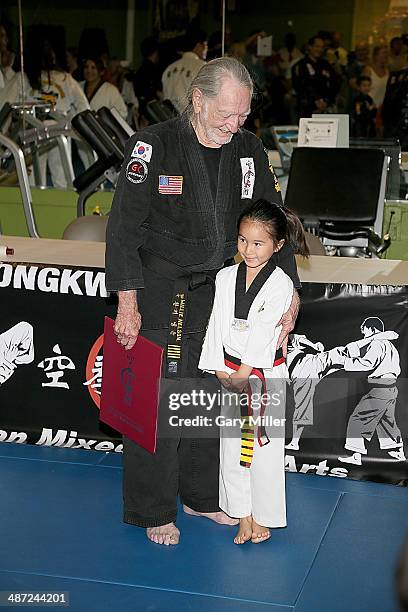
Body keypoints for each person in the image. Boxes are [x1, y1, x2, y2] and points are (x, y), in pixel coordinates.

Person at [105, 57, 301, 546]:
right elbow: (123, 227)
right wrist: (127, 299)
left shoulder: (249, 151)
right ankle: (151, 509)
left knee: (209, 397)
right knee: (159, 398)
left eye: (243, 115)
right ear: (197, 99)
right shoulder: (153, 146)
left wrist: (290, 292)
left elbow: (274, 223)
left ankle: (200, 496)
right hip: (161, 288)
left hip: (221, 292)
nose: (235, 125)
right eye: (226, 114)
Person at [198, 199, 309, 544]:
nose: (248, 249)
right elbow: (216, 323)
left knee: (264, 448)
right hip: (230, 371)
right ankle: (243, 515)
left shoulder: (281, 285)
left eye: (258, 243)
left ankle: (262, 515)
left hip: (261, 374)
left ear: (277, 246)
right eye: (242, 240)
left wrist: (243, 372)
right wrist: (219, 368)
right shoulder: (225, 276)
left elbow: (264, 332)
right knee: (232, 447)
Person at [338, 317, 403, 466]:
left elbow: (367, 364)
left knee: (358, 418)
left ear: (372, 329)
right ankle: (398, 451)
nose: (363, 333)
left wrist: (345, 362)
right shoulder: (390, 345)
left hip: (380, 389)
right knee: (387, 421)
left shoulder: (377, 344)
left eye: (364, 329)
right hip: (391, 388)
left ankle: (356, 455)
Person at [162, 29, 207, 113]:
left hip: (169, 118)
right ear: (198, 46)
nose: (206, 49)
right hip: (191, 117)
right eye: (205, 45)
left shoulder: (169, 69)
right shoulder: (202, 66)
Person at [291, 35, 338, 118]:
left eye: (322, 47)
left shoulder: (326, 65)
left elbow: (334, 83)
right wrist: (315, 101)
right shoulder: (300, 66)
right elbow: (300, 86)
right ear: (309, 47)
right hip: (307, 106)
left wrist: (327, 101)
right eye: (317, 46)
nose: (320, 49)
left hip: (326, 104)